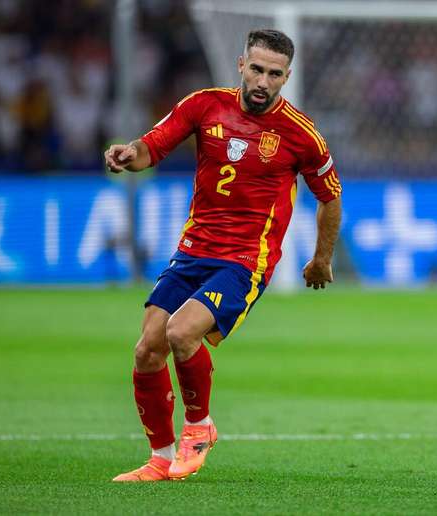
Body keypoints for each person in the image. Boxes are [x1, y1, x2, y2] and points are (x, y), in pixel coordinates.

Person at [104, 29, 342, 482]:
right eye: (256, 69)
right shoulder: (205, 104)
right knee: (147, 350)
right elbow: (152, 145)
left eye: (274, 74)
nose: (263, 81)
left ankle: (199, 425)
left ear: (286, 77)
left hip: (244, 261)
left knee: (180, 332)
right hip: (193, 250)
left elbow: (331, 196)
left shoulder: (300, 135)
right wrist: (126, 154)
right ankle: (160, 458)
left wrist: (321, 258)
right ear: (240, 65)